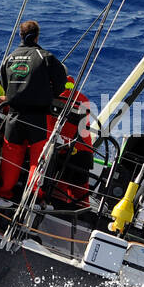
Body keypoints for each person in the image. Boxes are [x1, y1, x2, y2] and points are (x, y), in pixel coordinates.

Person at [0, 20, 68, 200]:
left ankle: (4, 193)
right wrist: (51, 93)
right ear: (37, 36)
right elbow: (61, 81)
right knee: (38, 159)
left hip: (13, 115)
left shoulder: (9, 58)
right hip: (38, 117)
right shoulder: (45, 56)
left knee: (10, 159)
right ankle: (33, 196)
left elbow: (2, 84)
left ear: (20, 35)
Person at [46, 76, 95, 207]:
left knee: (58, 193)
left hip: (61, 155)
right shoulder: (83, 99)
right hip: (84, 155)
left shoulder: (51, 97)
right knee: (81, 196)